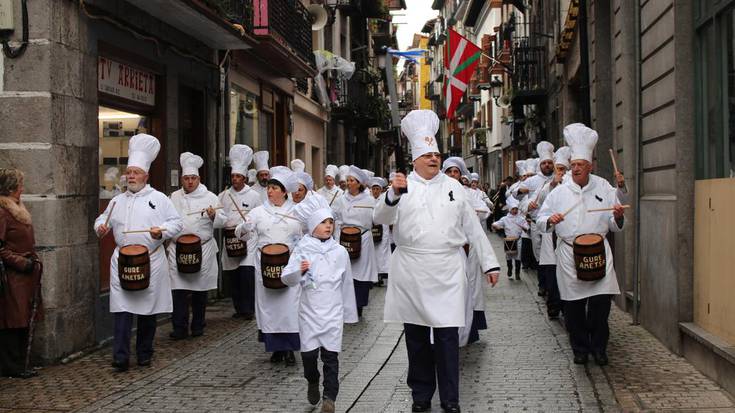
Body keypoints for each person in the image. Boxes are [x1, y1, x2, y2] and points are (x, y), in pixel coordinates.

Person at [374, 110, 501, 413]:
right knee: (416, 338)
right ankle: (420, 396)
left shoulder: (455, 187)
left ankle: (451, 398)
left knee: (447, 338)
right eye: (428, 154)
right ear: (415, 158)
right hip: (412, 271)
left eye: (437, 154)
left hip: (447, 270)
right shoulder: (401, 186)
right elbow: (379, 217)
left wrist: (490, 264)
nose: (434, 159)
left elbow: (472, 228)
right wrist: (393, 194)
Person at [537, 123, 626, 366]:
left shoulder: (604, 187)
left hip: (598, 250)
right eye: (573, 165)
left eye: (580, 165)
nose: (575, 169)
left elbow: (614, 217)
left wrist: (617, 216)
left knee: (600, 306)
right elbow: (541, 219)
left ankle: (599, 348)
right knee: (573, 308)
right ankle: (579, 348)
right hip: (568, 254)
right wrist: (550, 220)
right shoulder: (558, 192)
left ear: (590, 167)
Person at [94, 134, 183, 372]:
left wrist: (161, 232)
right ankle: (120, 356)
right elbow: (103, 220)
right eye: (129, 172)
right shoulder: (117, 200)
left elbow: (176, 223)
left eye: (135, 172)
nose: (131, 176)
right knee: (122, 310)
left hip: (151, 261)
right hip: (122, 261)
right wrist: (100, 227)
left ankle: (145, 352)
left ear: (146, 175)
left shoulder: (160, 199)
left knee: (147, 310)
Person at [281, 194, 358, 413]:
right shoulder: (303, 249)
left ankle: (329, 398)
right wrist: (299, 270)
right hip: (309, 312)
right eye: (323, 222)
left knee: (331, 357)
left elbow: (347, 284)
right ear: (313, 226)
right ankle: (312, 379)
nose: (328, 226)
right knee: (309, 357)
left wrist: (349, 314)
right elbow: (286, 277)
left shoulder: (340, 251)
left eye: (330, 222)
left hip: (332, 313)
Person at [235, 166, 302, 366]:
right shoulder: (257, 212)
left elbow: (305, 235)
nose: (270, 190)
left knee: (289, 307)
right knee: (269, 308)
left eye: (274, 187)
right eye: (269, 187)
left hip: (289, 265)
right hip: (265, 266)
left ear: (284, 191)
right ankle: (275, 348)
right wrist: (245, 228)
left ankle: (289, 348)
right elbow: (240, 233)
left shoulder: (297, 211)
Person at [167, 153, 227, 339]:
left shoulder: (210, 197)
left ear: (199, 179)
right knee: (178, 290)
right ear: (182, 180)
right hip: (177, 248)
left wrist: (212, 216)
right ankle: (179, 327)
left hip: (203, 248)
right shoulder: (173, 197)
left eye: (193, 178)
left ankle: (198, 324)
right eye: (186, 178)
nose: (190, 182)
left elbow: (223, 220)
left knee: (199, 289)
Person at [442, 157, 491, 347]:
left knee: (470, 285)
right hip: (448, 248)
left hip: (468, 246)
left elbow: (485, 210)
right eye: (449, 172)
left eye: (456, 172)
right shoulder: (438, 192)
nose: (453, 175)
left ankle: (470, 330)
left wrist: (469, 213)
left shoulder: (469, 193)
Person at [0, 168, 42, 378]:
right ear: (10, 189)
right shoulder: (2, 212)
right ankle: (11, 365)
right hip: (12, 277)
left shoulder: (17, 209)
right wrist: (21, 263)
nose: (22, 189)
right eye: (20, 186)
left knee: (24, 319)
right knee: (12, 321)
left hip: (26, 276)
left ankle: (21, 363)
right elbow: (0, 247)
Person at [220, 145, 263, 320]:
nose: (235, 179)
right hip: (230, 239)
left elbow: (259, 216)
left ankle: (249, 309)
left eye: (238, 176)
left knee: (246, 274)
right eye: (233, 176)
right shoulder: (223, 196)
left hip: (248, 239)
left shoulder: (253, 196)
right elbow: (220, 216)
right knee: (234, 276)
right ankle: (239, 308)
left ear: (244, 178)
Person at [332, 166, 378, 318]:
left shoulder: (369, 200)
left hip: (363, 239)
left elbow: (375, 219)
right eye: (348, 180)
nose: (349, 183)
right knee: (345, 272)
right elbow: (335, 218)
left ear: (359, 184)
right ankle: (345, 304)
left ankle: (359, 305)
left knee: (361, 274)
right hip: (344, 239)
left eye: (352, 181)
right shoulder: (340, 200)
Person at [537, 146, 571, 319]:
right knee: (552, 279)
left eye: (563, 169)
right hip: (551, 239)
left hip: (568, 241)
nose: (560, 172)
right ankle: (553, 307)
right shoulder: (547, 185)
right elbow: (541, 200)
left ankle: (567, 308)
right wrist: (553, 183)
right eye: (558, 169)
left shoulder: (573, 185)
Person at [491, 197, 527, 279]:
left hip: (518, 240)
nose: (515, 211)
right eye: (513, 209)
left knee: (518, 257)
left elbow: (526, 227)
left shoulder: (521, 218)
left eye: (516, 209)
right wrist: (496, 226)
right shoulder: (505, 219)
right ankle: (510, 268)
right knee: (509, 256)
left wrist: (525, 226)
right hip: (509, 240)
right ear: (510, 209)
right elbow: (495, 224)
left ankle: (517, 273)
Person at [369, 177, 390, 287]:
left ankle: (381, 274)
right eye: (374, 189)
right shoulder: (368, 200)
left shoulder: (384, 200)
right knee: (372, 253)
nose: (375, 191)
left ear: (381, 190)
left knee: (381, 253)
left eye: (377, 189)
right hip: (371, 229)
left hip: (383, 229)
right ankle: (373, 276)